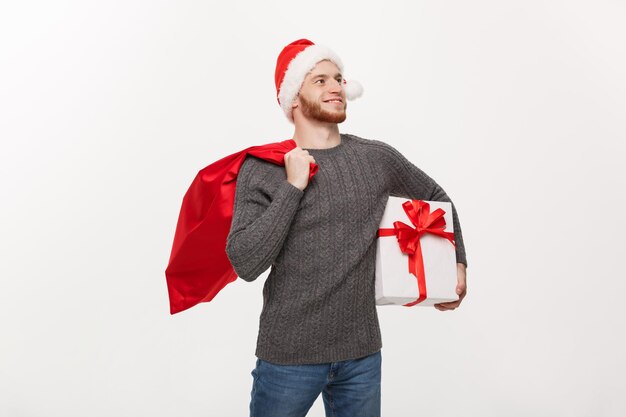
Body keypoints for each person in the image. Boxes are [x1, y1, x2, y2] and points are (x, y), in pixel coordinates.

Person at [225, 38, 468, 417]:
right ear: (293, 99)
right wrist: (293, 187)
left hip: (361, 355)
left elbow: (436, 197)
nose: (336, 87)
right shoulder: (263, 169)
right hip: (288, 356)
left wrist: (457, 264)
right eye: (319, 80)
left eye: (338, 78)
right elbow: (245, 262)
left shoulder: (375, 158)